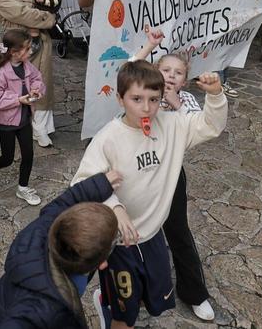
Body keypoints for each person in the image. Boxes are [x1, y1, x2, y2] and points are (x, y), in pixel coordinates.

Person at [71, 61, 227, 329]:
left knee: (151, 296)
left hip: (153, 235)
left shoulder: (173, 125)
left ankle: (110, 301)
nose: (146, 107)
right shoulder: (108, 138)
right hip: (120, 242)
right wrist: (114, 208)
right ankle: (114, 314)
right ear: (120, 99)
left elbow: (210, 126)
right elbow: (83, 183)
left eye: (154, 99)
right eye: (136, 99)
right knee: (125, 313)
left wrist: (215, 95)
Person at [129, 28, 216, 321]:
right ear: (154, 70)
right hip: (137, 172)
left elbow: (195, 127)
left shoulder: (188, 103)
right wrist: (150, 44)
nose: (170, 75)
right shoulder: (142, 93)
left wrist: (174, 102)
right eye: (164, 69)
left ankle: (194, 293)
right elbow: (127, 69)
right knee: (135, 233)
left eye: (177, 72)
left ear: (185, 79)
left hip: (170, 175)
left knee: (178, 231)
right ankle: (136, 290)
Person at [0, 171, 121, 329]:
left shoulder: (42, 232)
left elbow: (61, 204)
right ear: (101, 263)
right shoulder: (45, 313)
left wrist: (100, 184)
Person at [0, 0, 57, 147]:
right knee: (21, 85)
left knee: (43, 82)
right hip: (18, 45)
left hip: (39, 41)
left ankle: (43, 127)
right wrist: (49, 19)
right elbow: (21, 13)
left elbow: (41, 6)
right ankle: (31, 127)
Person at [0, 29, 45, 206]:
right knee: (7, 158)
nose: (30, 52)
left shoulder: (27, 66)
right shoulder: (1, 74)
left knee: (28, 154)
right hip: (6, 122)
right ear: (14, 52)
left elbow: (37, 78)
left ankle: (23, 187)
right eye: (27, 49)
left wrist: (36, 89)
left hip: (24, 118)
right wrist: (18, 99)